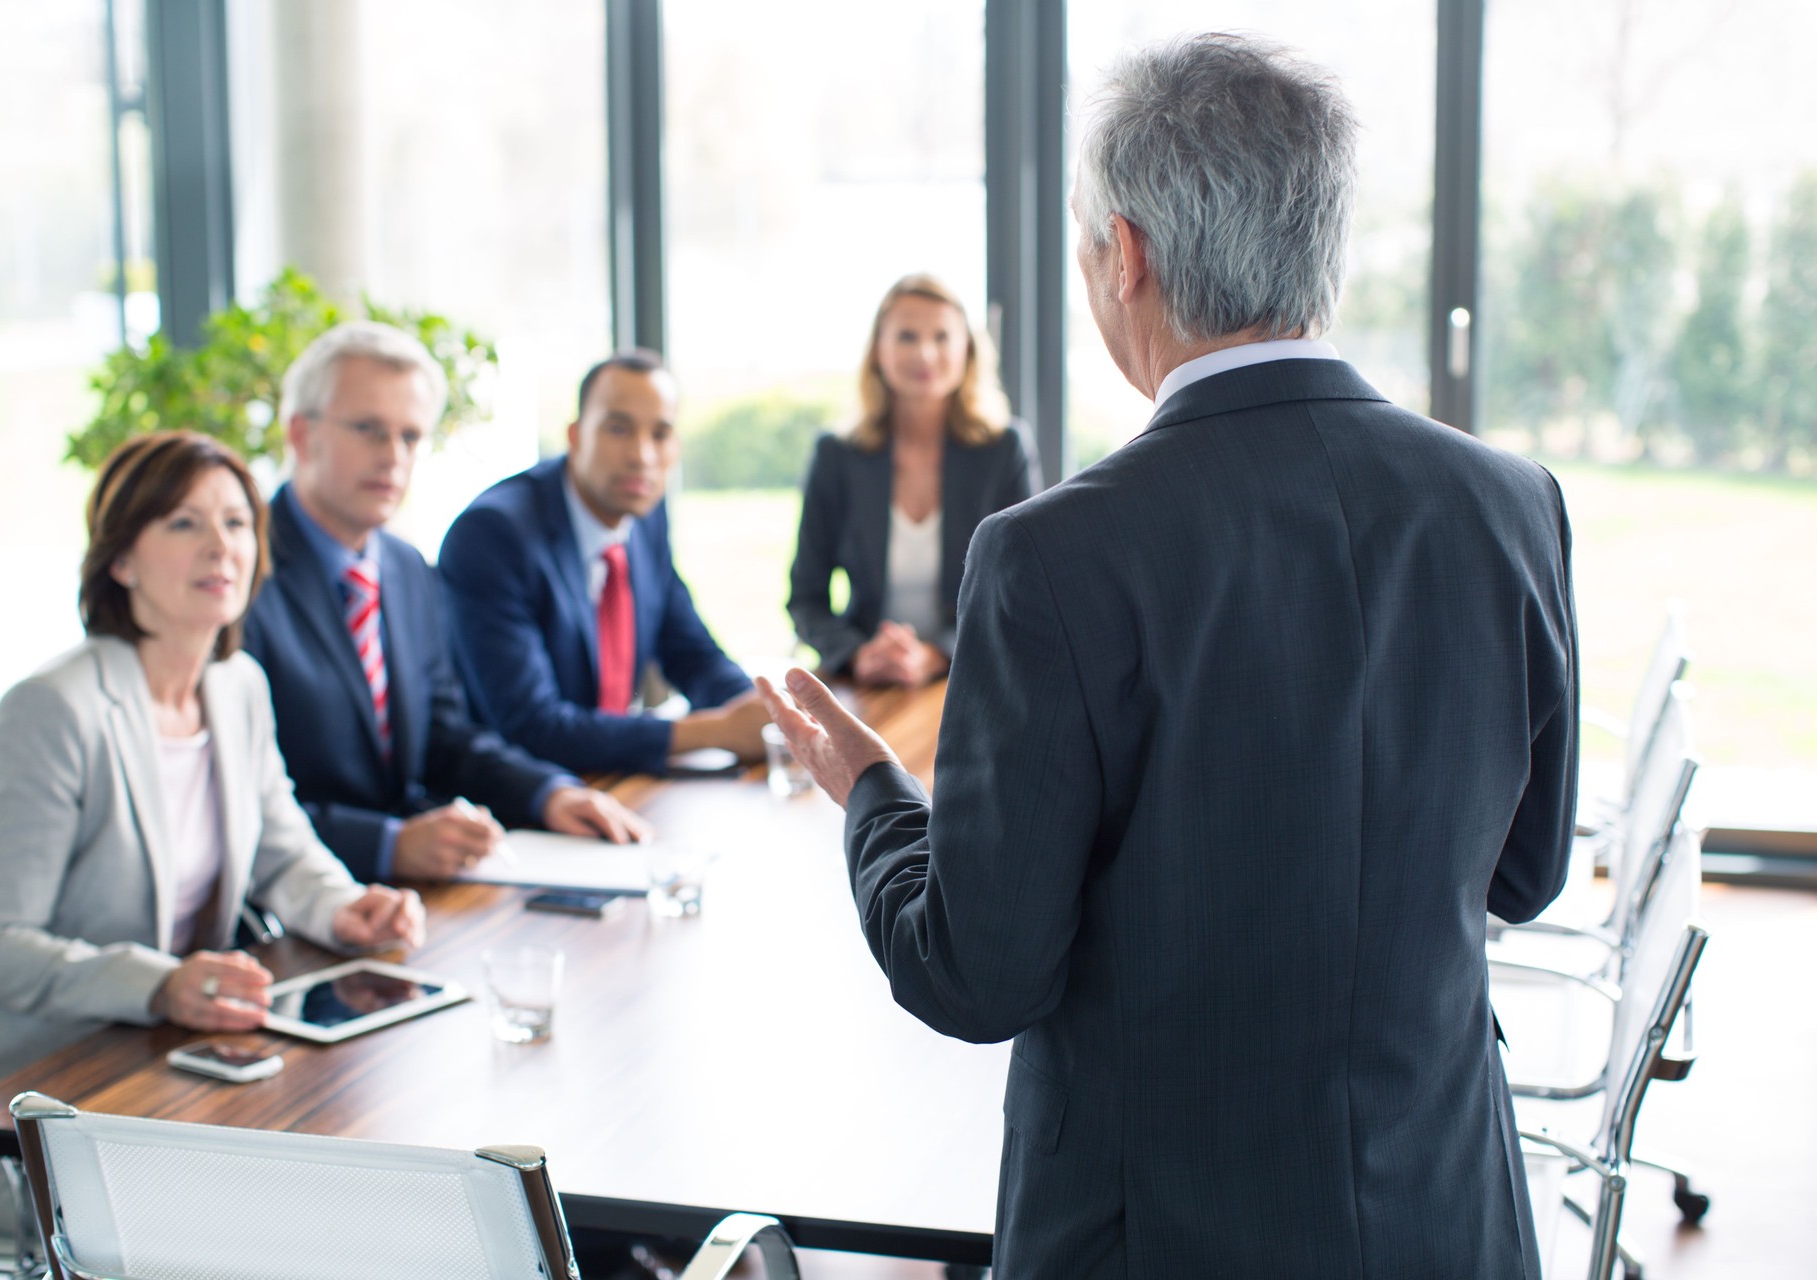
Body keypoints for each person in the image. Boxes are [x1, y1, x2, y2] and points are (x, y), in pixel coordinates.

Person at [758, 34, 1576, 1279]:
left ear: (1125, 254)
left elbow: (979, 975)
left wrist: (871, 792)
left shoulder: (1053, 554)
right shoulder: (1514, 502)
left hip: (1158, 1235)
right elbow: (1522, 876)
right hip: (1444, 1207)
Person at [0, 432, 426, 1232]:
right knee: (285, 1211)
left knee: (359, 1156)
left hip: (154, 1065)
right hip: (19, 1105)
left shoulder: (236, 684)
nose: (220, 546)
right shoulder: (54, 709)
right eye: (184, 524)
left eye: (236, 522)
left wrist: (344, 906)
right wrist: (158, 982)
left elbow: (283, 849)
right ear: (121, 559)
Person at [244, 323, 648, 883]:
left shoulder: (407, 568)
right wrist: (385, 846)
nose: (393, 457)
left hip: (411, 899)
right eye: (368, 430)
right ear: (300, 434)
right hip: (291, 909)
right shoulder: (240, 572)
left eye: (410, 436)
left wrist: (546, 792)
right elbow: (235, 808)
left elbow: (445, 738)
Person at [440, 350, 766, 776]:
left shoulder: (642, 512)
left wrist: (763, 714)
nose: (642, 456)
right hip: (518, 798)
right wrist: (714, 731)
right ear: (575, 436)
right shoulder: (493, 535)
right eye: (618, 429)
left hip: (609, 779)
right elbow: (532, 727)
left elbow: (690, 652)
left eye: (661, 433)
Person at [788, 274, 1039, 684]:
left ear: (968, 352)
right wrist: (859, 653)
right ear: (877, 352)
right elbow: (806, 597)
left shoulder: (1004, 448)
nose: (925, 353)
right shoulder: (836, 454)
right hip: (868, 678)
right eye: (906, 336)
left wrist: (938, 654)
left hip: (973, 674)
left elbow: (1022, 591)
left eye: (942, 337)